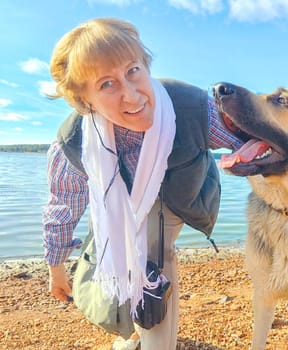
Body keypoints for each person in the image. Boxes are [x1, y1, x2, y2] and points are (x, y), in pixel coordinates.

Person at [43, 17, 243, 350]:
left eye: (133, 70)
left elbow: (250, 137)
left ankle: (156, 343)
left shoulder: (193, 108)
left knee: (152, 249)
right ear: (85, 100)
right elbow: (64, 206)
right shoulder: (73, 143)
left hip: (180, 193)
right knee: (110, 251)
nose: (132, 95)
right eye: (107, 84)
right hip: (116, 198)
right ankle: (135, 330)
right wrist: (56, 267)